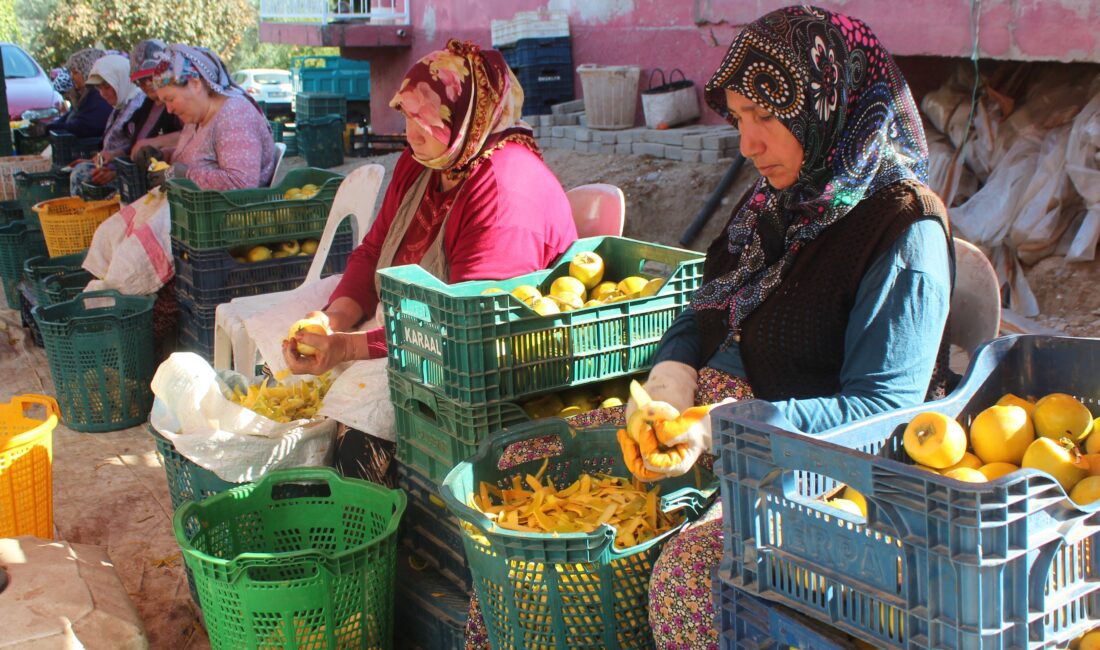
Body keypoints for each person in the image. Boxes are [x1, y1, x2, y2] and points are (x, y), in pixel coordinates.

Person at [462, 6, 954, 649]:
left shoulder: (902, 228)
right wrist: (669, 385)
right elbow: (705, 308)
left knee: (688, 582)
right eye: (742, 118)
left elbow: (883, 410)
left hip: (822, 472)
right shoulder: (778, 202)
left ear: (829, 106)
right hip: (716, 428)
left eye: (768, 119)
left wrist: (720, 431)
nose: (748, 143)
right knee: (522, 487)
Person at [282, 39, 578, 486]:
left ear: (465, 118)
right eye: (406, 116)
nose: (409, 133)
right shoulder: (428, 161)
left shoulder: (504, 190)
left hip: (478, 361)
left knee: (358, 433)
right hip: (408, 329)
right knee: (281, 369)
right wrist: (332, 319)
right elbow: (373, 251)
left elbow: (466, 328)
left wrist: (345, 347)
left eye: (423, 120)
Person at [141, 44, 276, 190]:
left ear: (195, 84)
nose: (169, 109)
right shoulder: (195, 119)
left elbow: (242, 183)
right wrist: (162, 156)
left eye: (171, 99)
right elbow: (197, 159)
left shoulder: (235, 115)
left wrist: (183, 175)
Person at [70, 41, 184, 195]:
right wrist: (113, 158)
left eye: (153, 77)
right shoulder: (146, 105)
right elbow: (134, 148)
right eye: (141, 81)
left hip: (161, 182)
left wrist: (153, 144)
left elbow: (188, 141)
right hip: (145, 176)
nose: (148, 84)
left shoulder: (177, 106)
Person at [68, 54, 145, 195]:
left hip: (133, 175)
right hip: (116, 166)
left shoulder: (138, 106)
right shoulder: (121, 105)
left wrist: (115, 169)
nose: (103, 94)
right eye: (99, 88)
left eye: (107, 87)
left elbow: (138, 149)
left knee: (81, 175)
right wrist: (96, 161)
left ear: (121, 79)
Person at [48, 48, 112, 161]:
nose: (72, 77)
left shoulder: (99, 96)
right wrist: (51, 126)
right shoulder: (85, 95)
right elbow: (70, 115)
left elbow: (84, 126)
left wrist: (50, 127)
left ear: (88, 71)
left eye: (75, 72)